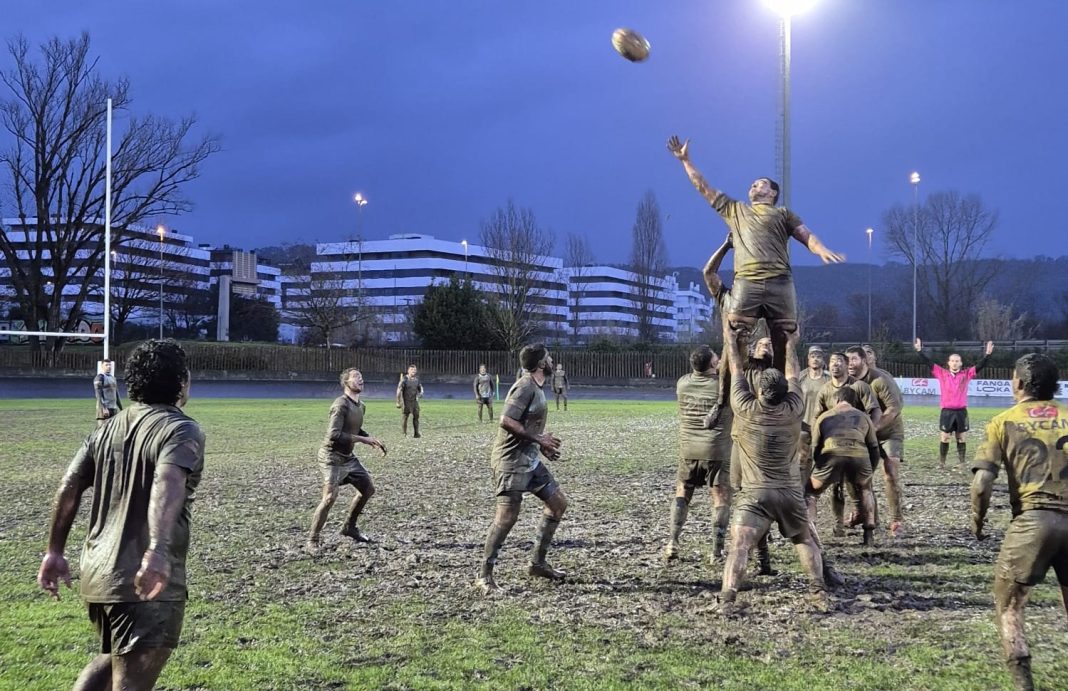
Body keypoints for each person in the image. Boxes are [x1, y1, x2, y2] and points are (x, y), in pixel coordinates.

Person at [37, 339, 203, 691]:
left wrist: (54, 550)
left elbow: (69, 486)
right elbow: (167, 480)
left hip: (97, 574)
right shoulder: (181, 428)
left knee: (110, 661)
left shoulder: (105, 429)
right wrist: (157, 550)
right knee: (131, 680)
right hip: (142, 579)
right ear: (182, 381)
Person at [668, 134, 844, 376]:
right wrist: (685, 160)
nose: (754, 185)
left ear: (772, 193)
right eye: (753, 183)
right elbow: (703, 187)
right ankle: (726, 402)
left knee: (784, 340)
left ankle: (782, 399)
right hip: (747, 282)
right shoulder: (736, 210)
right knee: (735, 338)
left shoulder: (783, 214)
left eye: (761, 183)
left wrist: (821, 249)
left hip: (779, 282)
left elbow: (806, 235)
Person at [970, 354, 1067, 691]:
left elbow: (982, 484)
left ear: (1020, 384)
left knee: (1009, 605)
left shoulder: (1003, 421)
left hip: (1032, 521)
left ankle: (1023, 681)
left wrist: (978, 522)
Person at [717, 321, 827, 613]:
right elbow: (793, 373)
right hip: (789, 492)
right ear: (785, 392)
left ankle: (728, 597)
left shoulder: (745, 407)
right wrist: (791, 343)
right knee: (804, 539)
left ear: (760, 392)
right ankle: (818, 589)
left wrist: (730, 338)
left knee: (740, 545)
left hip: (755, 494)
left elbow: (737, 371)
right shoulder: (794, 409)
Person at [477, 343, 568, 595]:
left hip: (530, 461)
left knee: (558, 503)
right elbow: (506, 420)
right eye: (548, 358)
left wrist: (542, 447)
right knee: (506, 518)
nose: (551, 361)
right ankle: (484, 576)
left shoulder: (537, 387)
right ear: (541, 364)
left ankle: (537, 563)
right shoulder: (525, 386)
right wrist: (539, 439)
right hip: (510, 462)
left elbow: (527, 425)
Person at [665, 345, 734, 562]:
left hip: (688, 449)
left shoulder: (683, 383)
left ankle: (673, 542)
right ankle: (717, 551)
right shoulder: (723, 387)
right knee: (720, 497)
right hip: (716, 450)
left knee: (683, 493)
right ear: (713, 364)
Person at [808, 386, 881, 546]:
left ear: (836, 399)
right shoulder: (864, 417)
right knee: (866, 490)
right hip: (859, 456)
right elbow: (874, 448)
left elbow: (815, 447)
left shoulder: (824, 416)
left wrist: (818, 468)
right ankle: (869, 532)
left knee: (811, 493)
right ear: (855, 401)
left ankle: (811, 533)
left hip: (831, 454)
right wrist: (870, 471)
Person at [846, 345, 906, 537]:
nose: (850, 364)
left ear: (864, 360)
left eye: (854, 359)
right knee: (856, 475)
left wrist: (874, 428)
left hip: (889, 432)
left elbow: (894, 409)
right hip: (864, 434)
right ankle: (867, 515)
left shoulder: (880, 380)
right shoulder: (847, 382)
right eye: (847, 360)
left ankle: (897, 520)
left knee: (890, 473)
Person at [915, 338, 995, 468]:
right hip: (947, 411)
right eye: (952, 361)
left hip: (961, 412)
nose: (954, 363)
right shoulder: (941, 373)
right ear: (949, 362)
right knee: (945, 437)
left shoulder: (966, 374)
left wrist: (988, 355)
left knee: (961, 438)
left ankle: (962, 462)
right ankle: (942, 462)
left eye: (957, 361)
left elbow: (980, 366)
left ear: (961, 363)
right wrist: (919, 351)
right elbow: (928, 363)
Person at [798, 346, 830, 483]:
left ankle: (815, 491)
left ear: (823, 360)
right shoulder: (801, 376)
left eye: (818, 356)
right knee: (802, 460)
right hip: (803, 425)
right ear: (808, 359)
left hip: (823, 426)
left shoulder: (828, 378)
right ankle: (802, 490)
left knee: (823, 460)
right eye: (813, 356)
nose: (815, 359)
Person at [396, 364, 423, 438]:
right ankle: (404, 433)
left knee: (416, 417)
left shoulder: (417, 380)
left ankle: (416, 433)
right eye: (411, 370)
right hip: (405, 401)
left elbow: (420, 388)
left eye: (414, 370)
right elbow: (399, 390)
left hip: (414, 401)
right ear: (408, 371)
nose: (413, 371)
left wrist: (421, 393)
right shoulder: (404, 380)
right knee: (405, 417)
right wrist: (398, 401)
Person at [93, 358, 122, 424]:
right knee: (102, 431)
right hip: (104, 409)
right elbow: (98, 394)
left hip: (113, 408)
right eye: (106, 365)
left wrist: (121, 408)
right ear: (102, 366)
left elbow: (116, 395)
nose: (109, 367)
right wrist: (104, 408)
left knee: (112, 432)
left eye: (109, 365)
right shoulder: (99, 377)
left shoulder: (113, 378)